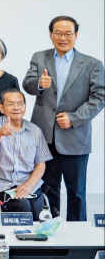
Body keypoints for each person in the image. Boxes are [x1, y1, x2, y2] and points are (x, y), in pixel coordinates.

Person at [22, 16, 104, 221]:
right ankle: (49, 231)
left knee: (76, 192)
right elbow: (27, 84)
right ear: (50, 34)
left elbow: (99, 98)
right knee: (47, 190)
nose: (63, 38)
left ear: (76, 35)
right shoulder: (39, 57)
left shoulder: (92, 64)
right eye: (58, 33)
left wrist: (74, 118)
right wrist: (39, 84)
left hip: (75, 137)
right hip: (44, 137)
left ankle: (78, 236)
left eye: (68, 33)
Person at [0, 89, 53, 218]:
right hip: (1, 185)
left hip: (27, 185)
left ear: (24, 107)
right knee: (22, 205)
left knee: (40, 210)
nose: (16, 107)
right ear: (1, 108)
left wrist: (28, 185)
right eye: (11, 104)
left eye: (20, 104)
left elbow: (40, 164)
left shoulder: (35, 131)